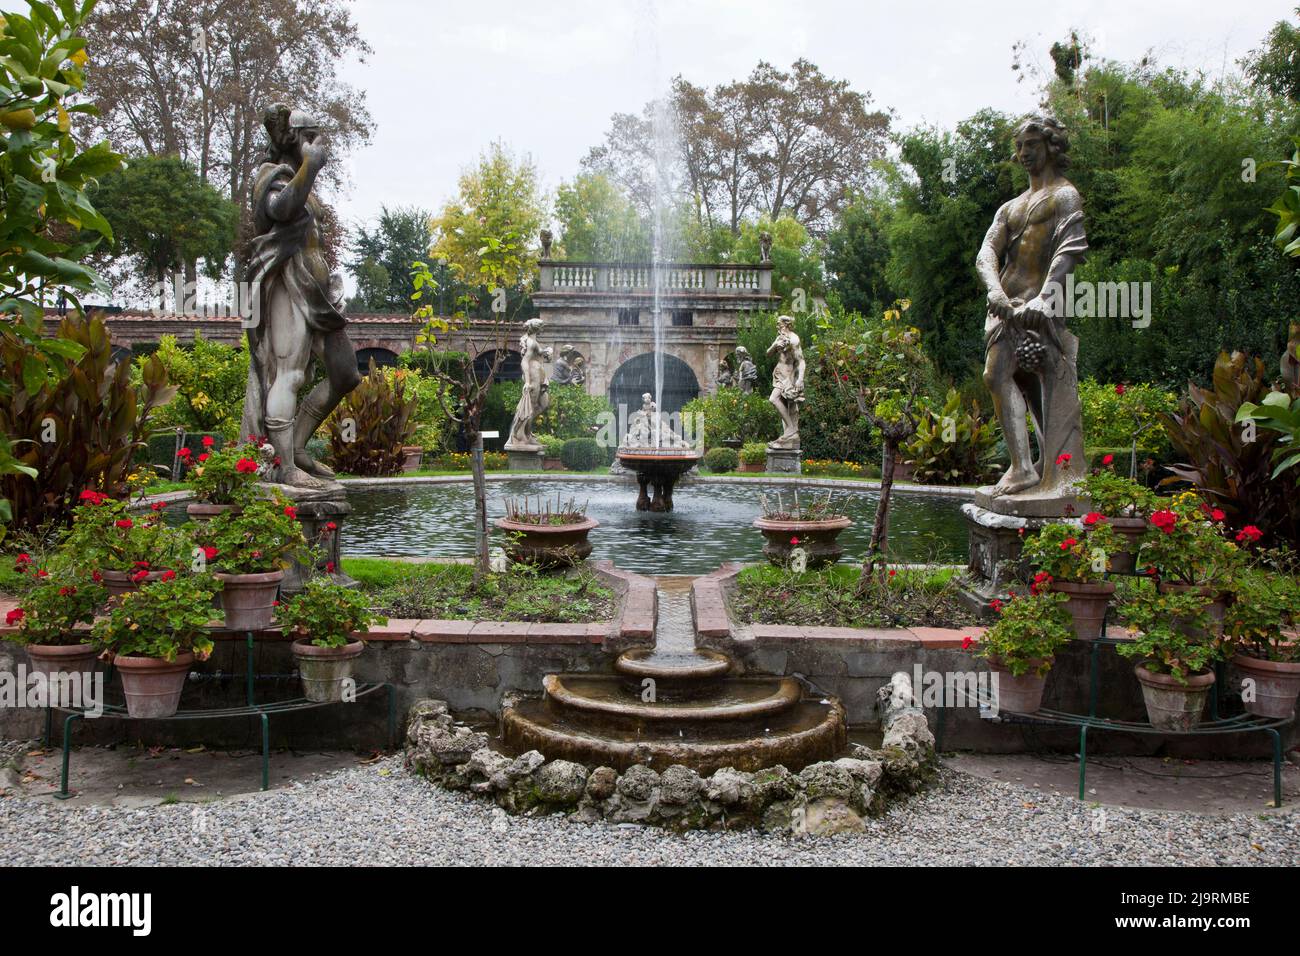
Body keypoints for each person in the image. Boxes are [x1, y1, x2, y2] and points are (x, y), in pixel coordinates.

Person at [240, 105, 361, 489]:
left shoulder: (298, 178)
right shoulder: (271, 176)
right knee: (288, 374)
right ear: (295, 139)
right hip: (287, 287)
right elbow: (281, 209)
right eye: (313, 136)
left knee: (345, 373)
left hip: (316, 294)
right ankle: (284, 465)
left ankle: (297, 444)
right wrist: (310, 167)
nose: (320, 144)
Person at [976, 115, 1087, 499]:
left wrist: (1045, 297)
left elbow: (1069, 252)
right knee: (1003, 376)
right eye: (1020, 146)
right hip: (1005, 308)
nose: (1024, 153)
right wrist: (994, 290)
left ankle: (1040, 467)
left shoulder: (1065, 196)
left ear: (1051, 146)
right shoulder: (1011, 207)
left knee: (1028, 381)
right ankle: (1028, 466)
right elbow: (987, 251)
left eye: (1032, 145)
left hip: (1042, 308)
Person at [766, 316, 805, 449]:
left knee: (774, 399)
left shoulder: (794, 340)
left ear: (786, 324)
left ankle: (791, 430)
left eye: (779, 324)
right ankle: (789, 435)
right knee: (787, 406)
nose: (777, 327)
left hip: (788, 377)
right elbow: (768, 354)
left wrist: (800, 379)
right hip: (778, 375)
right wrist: (774, 345)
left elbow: (801, 361)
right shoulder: (780, 338)